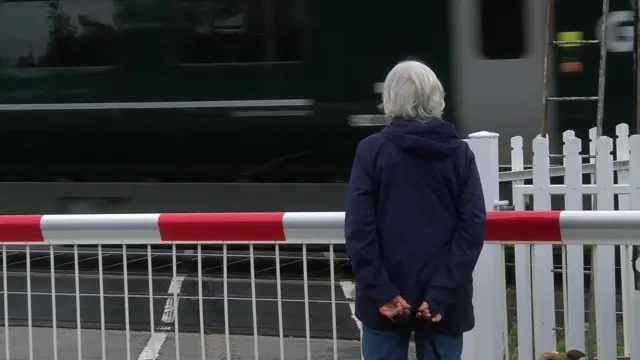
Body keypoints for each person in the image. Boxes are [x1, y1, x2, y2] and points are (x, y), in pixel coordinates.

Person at [344, 59, 486, 360]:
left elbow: (359, 229)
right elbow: (472, 228)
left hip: (384, 300)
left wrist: (383, 292)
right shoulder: (460, 154)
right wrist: (440, 294)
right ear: (437, 97)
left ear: (390, 98)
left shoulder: (371, 151)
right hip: (443, 302)